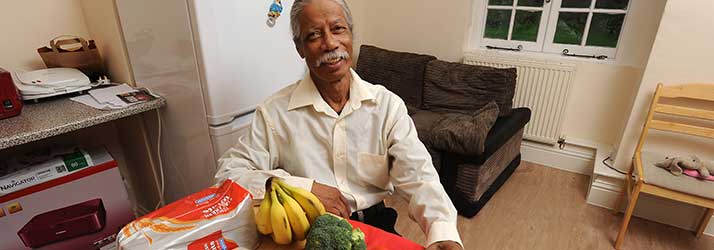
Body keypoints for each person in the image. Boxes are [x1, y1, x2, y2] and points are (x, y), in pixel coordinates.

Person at [215, 0, 463, 249]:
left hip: (375, 225)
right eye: (313, 35)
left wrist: (442, 232)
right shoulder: (274, 113)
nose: (330, 43)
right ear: (300, 48)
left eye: (338, 29)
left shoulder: (387, 106)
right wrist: (305, 188)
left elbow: (419, 176)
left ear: (351, 35)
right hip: (307, 232)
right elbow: (229, 175)